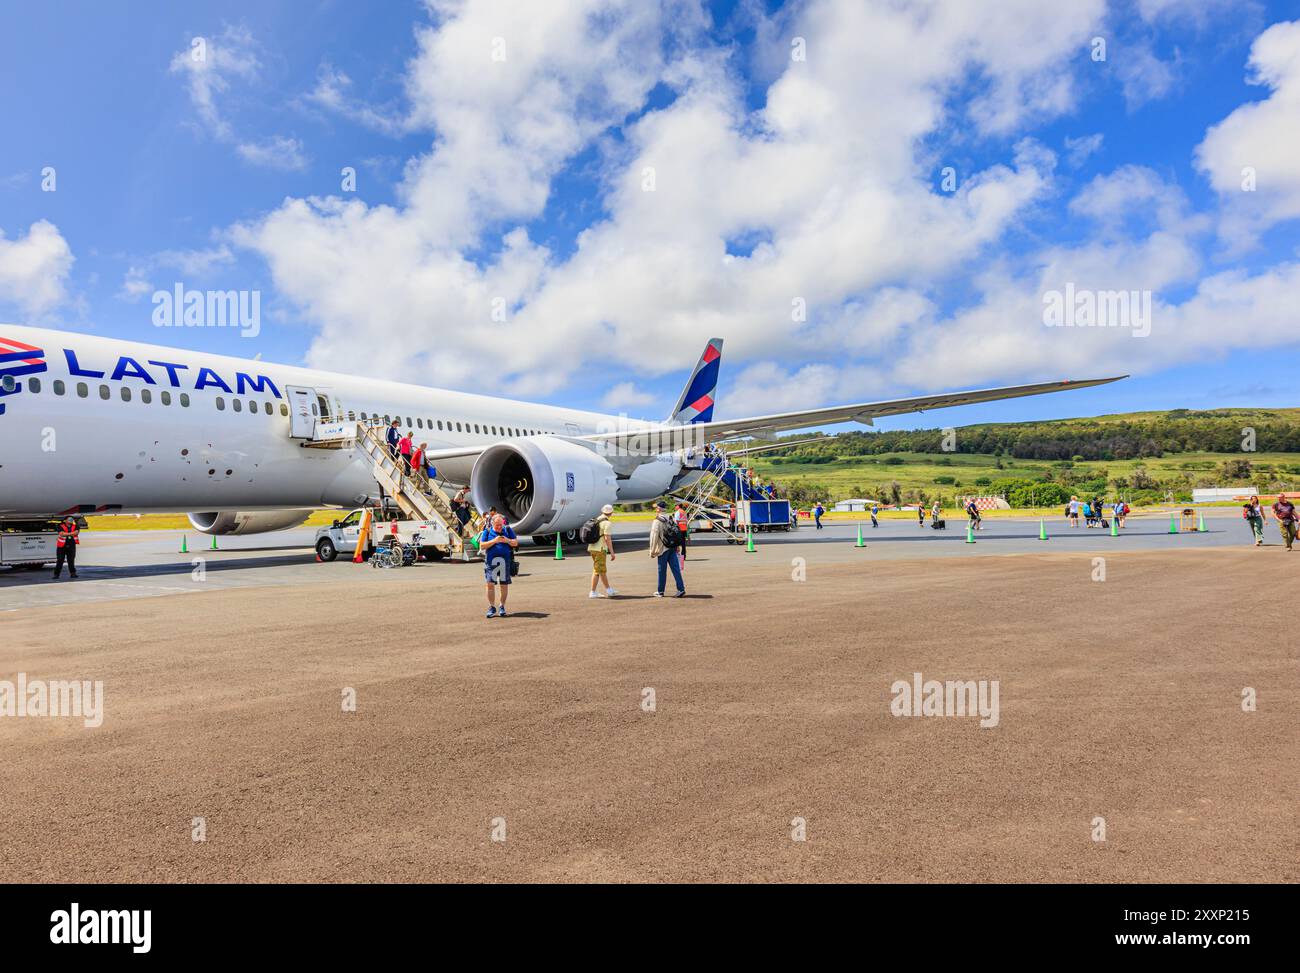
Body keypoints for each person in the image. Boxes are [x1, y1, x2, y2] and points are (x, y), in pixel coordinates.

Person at [479, 513, 518, 617]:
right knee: (490, 584)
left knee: (504, 585)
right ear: (492, 524)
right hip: (491, 562)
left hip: (505, 561)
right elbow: (482, 545)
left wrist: (507, 540)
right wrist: (495, 541)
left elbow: (515, 543)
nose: (499, 527)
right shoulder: (487, 531)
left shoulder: (508, 530)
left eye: (501, 524)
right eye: (497, 525)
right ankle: (492, 607)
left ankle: (502, 606)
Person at [649, 501, 685, 597]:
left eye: (656, 508)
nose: (656, 509)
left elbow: (654, 537)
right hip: (672, 547)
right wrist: (677, 546)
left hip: (662, 548)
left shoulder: (657, 521)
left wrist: (652, 551)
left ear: (659, 509)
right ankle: (681, 589)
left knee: (662, 570)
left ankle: (660, 591)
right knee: (676, 569)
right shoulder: (670, 518)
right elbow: (675, 532)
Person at [588, 503, 618, 598]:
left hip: (592, 548)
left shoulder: (597, 519)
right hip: (600, 549)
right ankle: (593, 592)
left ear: (602, 511)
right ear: (611, 513)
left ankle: (608, 590)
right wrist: (612, 552)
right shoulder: (607, 523)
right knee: (598, 570)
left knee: (600, 570)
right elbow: (607, 539)